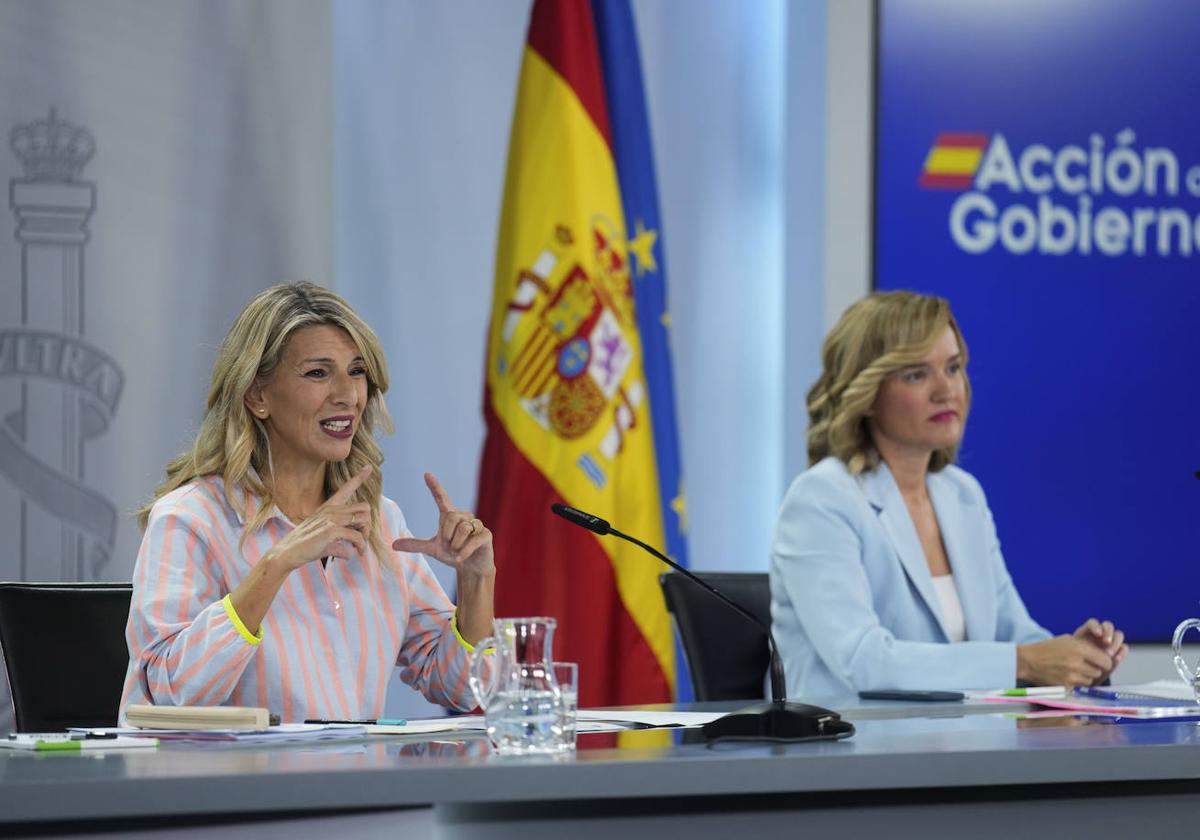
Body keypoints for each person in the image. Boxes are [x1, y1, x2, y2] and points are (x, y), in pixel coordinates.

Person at [120, 282, 494, 722]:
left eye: (356, 371)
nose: (347, 395)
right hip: (220, 788)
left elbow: (463, 688)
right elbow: (170, 690)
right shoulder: (189, 518)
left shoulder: (380, 523)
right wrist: (276, 564)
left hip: (345, 786)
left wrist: (475, 580)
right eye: (318, 373)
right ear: (257, 396)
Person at [770, 291, 1127, 697]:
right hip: (850, 748)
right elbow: (862, 661)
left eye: (953, 368)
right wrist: (1025, 662)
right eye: (917, 375)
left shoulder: (962, 495)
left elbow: (1011, 631)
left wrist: (1075, 658)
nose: (946, 391)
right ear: (866, 392)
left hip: (963, 744)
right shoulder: (822, 499)